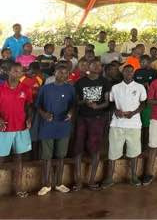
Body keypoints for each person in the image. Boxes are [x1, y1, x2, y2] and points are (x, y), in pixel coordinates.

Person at [101, 64, 147, 189]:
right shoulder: (115, 87)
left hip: (134, 124)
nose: (129, 73)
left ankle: (133, 176)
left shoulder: (140, 87)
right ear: (123, 73)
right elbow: (110, 104)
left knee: (134, 152)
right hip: (117, 124)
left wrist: (134, 113)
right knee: (113, 152)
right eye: (126, 71)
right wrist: (116, 111)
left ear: (134, 73)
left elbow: (143, 104)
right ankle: (110, 178)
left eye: (131, 72)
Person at [36, 63, 75, 196]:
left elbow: (74, 105)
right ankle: (46, 184)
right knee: (47, 157)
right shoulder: (45, 89)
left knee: (61, 156)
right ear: (55, 73)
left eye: (66, 73)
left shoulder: (70, 89)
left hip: (63, 126)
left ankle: (59, 183)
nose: (64, 75)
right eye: (61, 73)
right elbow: (38, 106)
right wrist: (44, 114)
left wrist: (70, 113)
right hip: (48, 126)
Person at [73, 59, 110, 191]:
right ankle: (78, 181)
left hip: (97, 118)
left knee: (95, 149)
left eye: (100, 65)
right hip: (82, 118)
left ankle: (91, 180)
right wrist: (85, 102)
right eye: (95, 64)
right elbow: (76, 101)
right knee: (78, 148)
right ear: (89, 66)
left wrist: (97, 106)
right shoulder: (80, 82)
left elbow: (106, 102)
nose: (98, 66)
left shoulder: (105, 82)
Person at [0, 62, 33, 197]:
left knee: (19, 158)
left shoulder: (25, 88)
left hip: (21, 128)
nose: (17, 74)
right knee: (1, 159)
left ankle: (18, 187)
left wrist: (29, 118)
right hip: (4, 129)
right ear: (8, 72)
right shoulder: (1, 88)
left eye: (20, 72)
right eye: (14, 71)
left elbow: (29, 106)